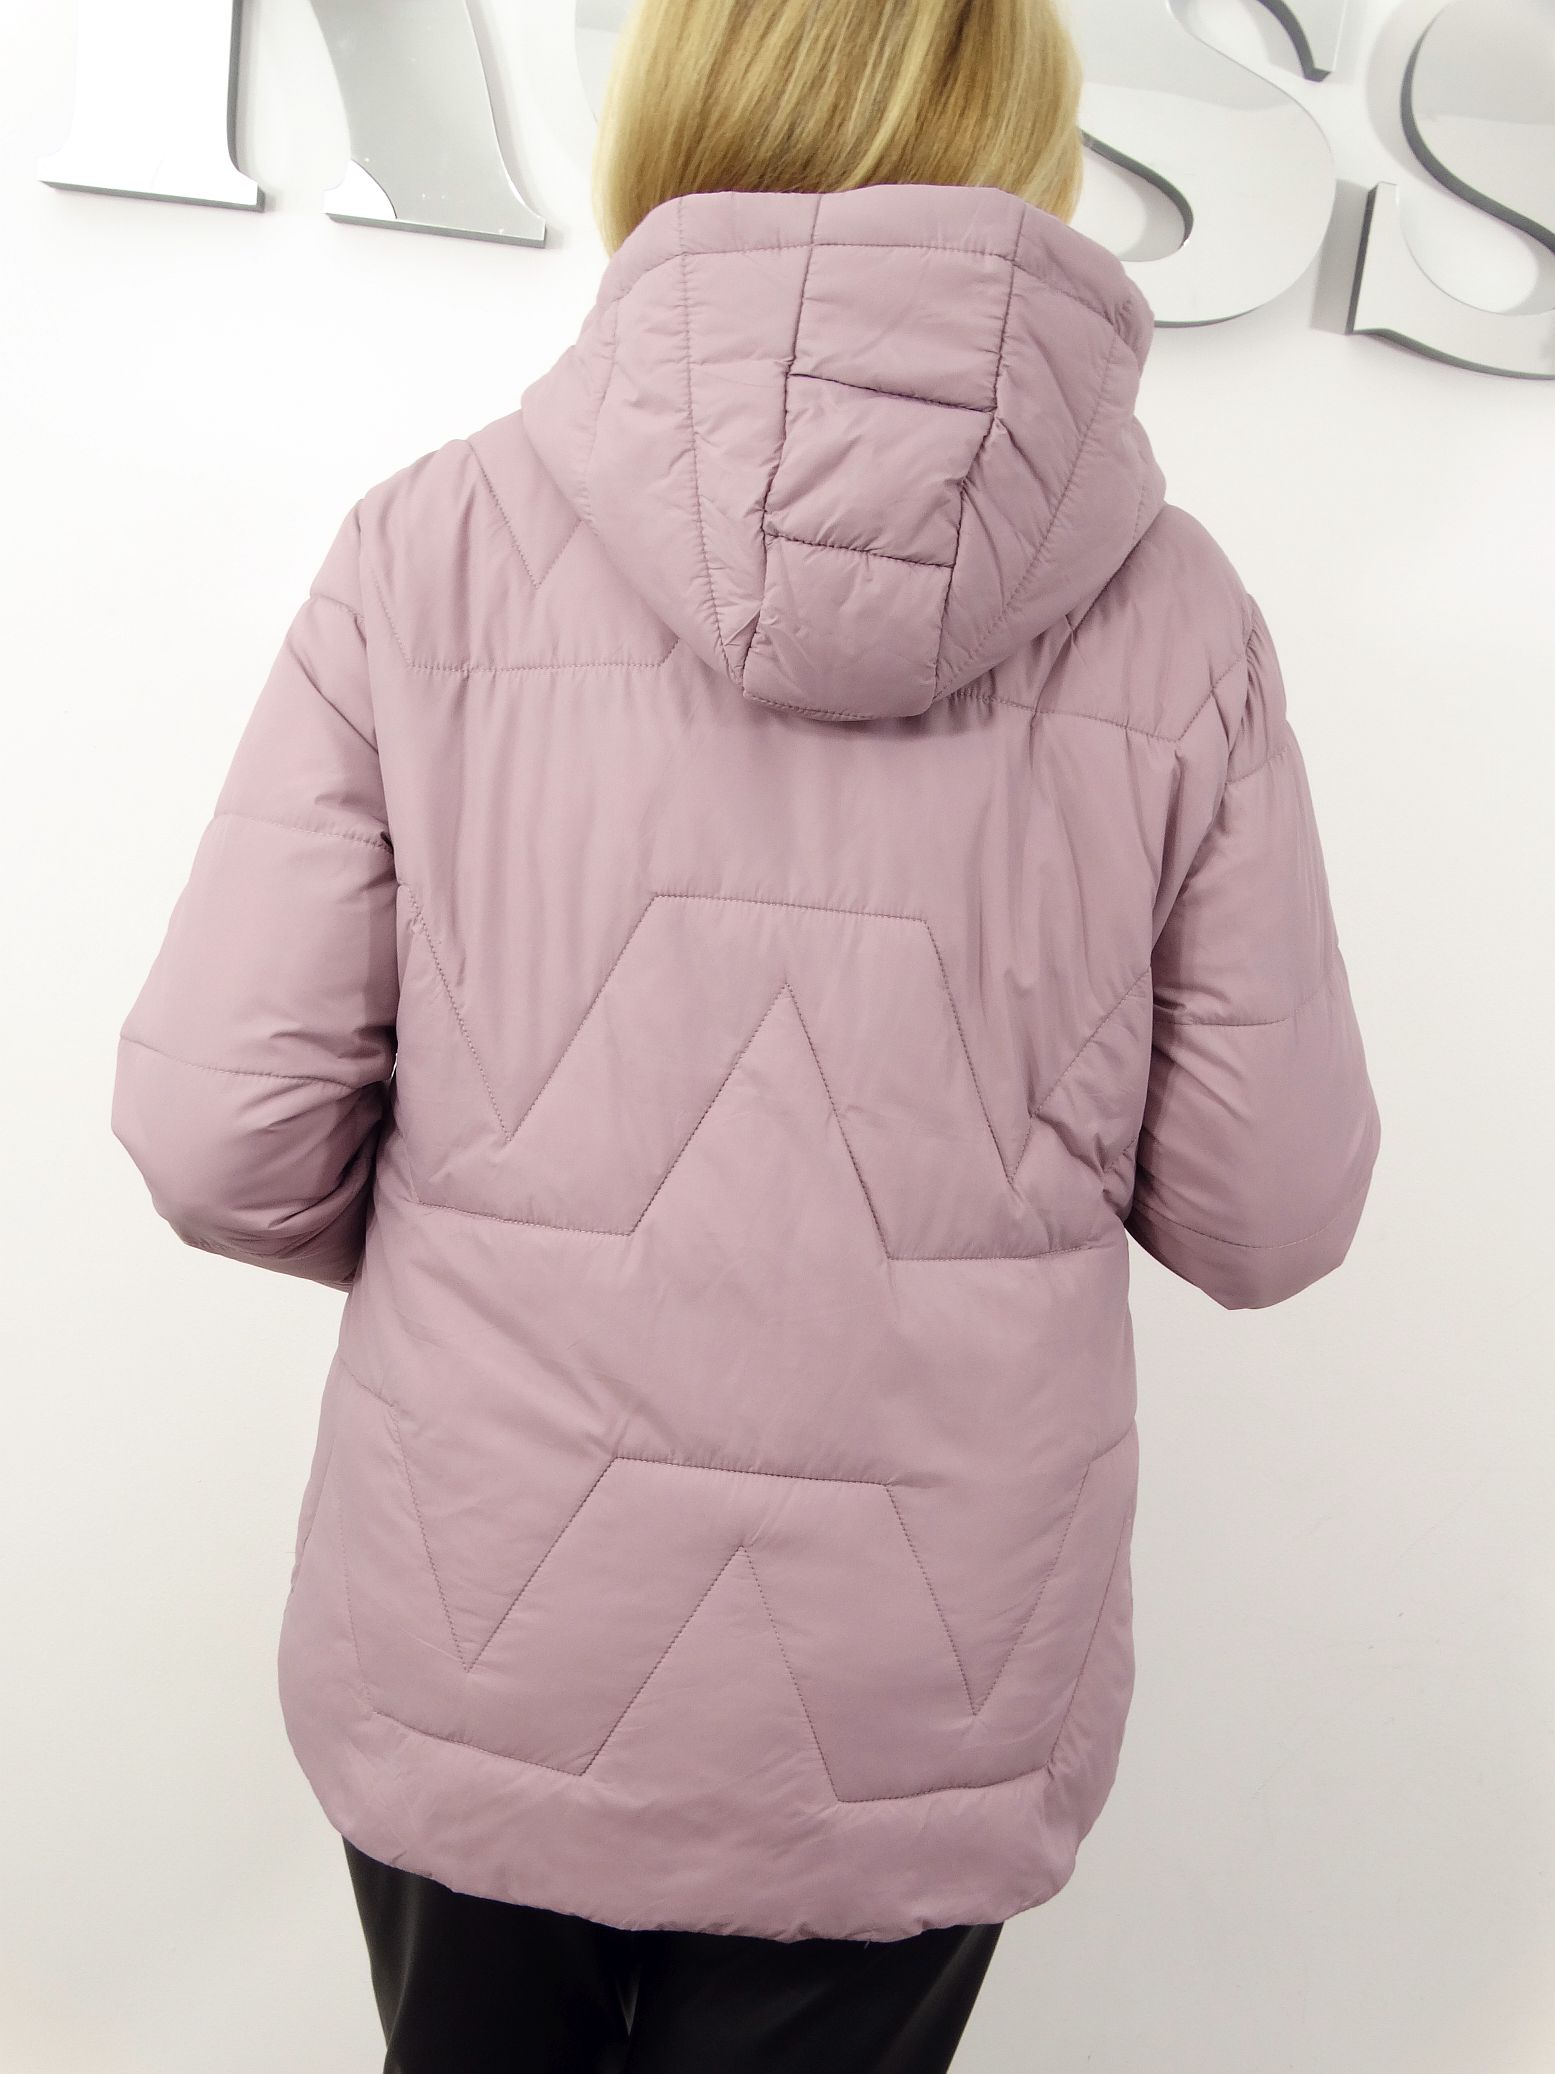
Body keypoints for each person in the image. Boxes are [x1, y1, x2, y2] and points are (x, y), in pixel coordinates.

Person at [109, 0, 1381, 2065]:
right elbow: (1272, 1210)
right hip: (923, 1692)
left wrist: (497, 1241)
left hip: (486, 1625)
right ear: (1023, 135)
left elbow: (217, 1136)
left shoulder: (429, 551)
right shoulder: (1179, 626)